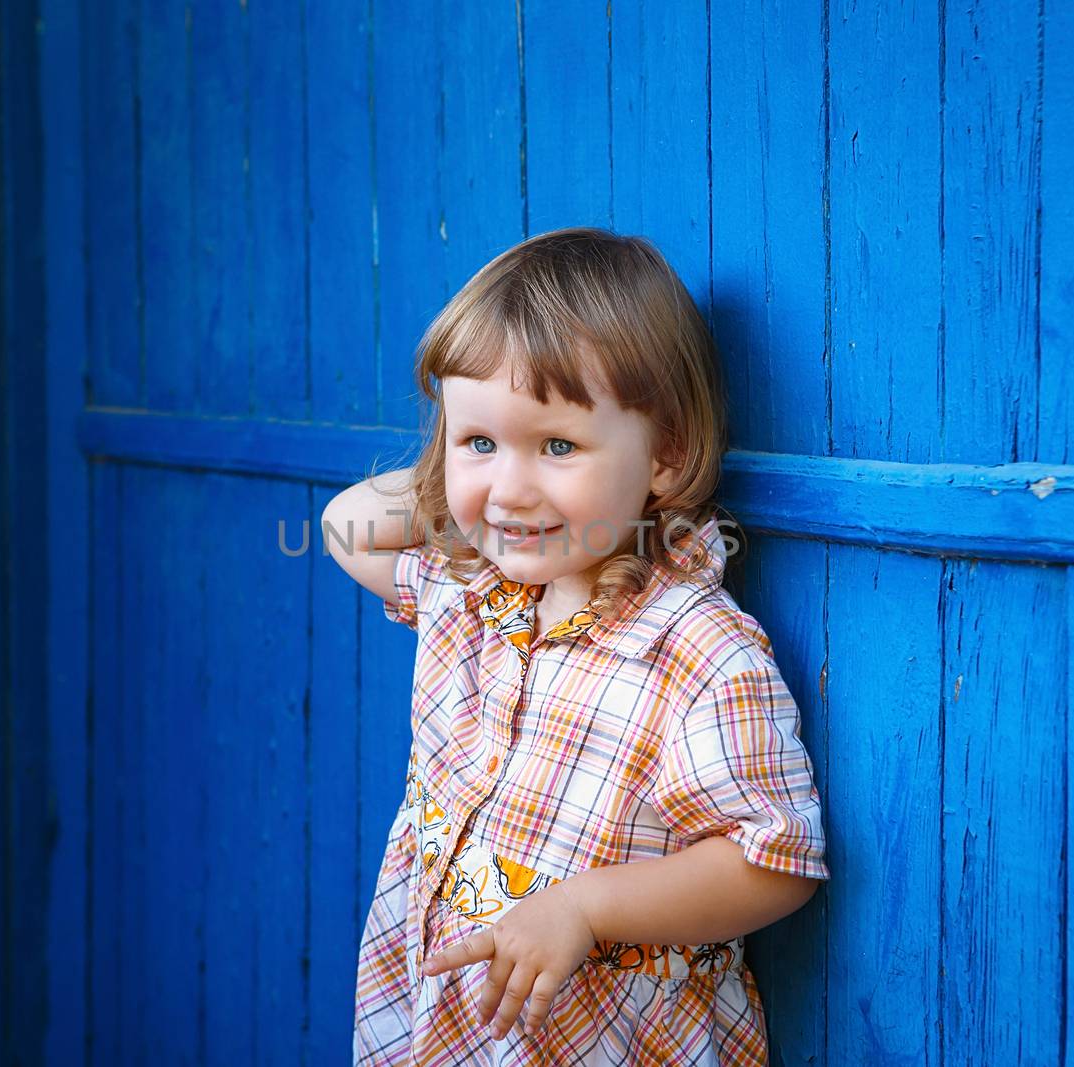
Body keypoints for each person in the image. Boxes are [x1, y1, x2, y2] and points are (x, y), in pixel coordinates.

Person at [321, 227, 829, 1065]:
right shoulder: (473, 594)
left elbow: (773, 860)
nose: (514, 486)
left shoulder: (697, 650)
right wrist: (460, 489)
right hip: (451, 1031)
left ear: (665, 453)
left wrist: (586, 907)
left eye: (557, 446)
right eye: (480, 441)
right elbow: (348, 525)